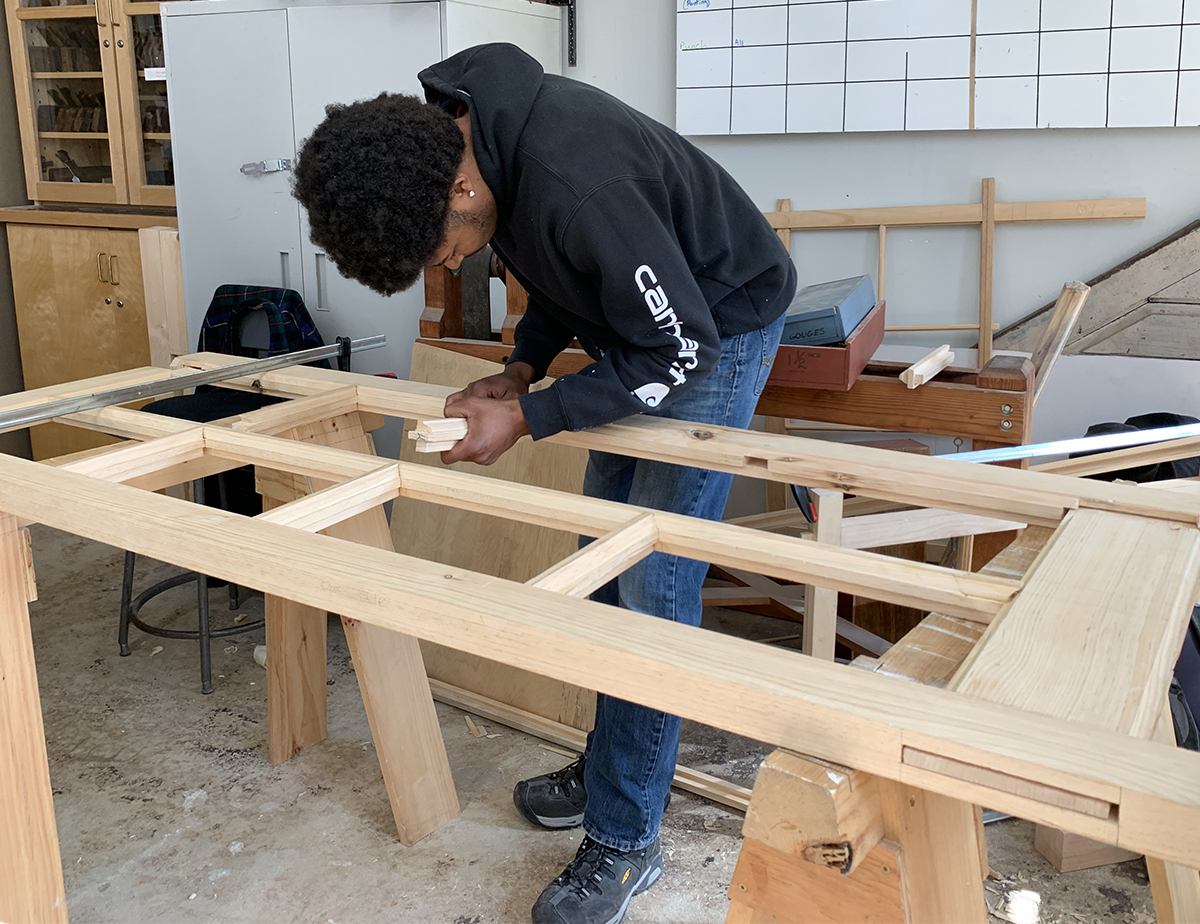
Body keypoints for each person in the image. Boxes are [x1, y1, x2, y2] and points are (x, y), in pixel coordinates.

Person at [292, 43, 796, 924]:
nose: (447, 268)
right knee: (600, 563)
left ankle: (627, 835)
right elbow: (568, 275)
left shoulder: (576, 176)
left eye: (440, 253)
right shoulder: (479, 149)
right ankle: (614, 765)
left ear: (458, 193)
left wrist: (527, 419)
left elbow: (680, 347)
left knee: (649, 587)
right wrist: (522, 370)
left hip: (715, 324)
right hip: (647, 327)